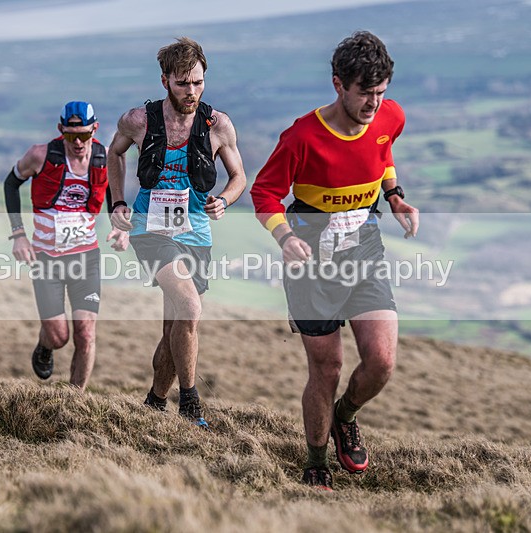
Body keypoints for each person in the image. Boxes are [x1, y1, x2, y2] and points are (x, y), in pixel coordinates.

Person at [250, 31, 419, 490]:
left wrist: (396, 197)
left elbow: (383, 153)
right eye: (364, 93)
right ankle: (316, 461)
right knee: (326, 369)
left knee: (382, 361)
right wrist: (284, 236)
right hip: (312, 267)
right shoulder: (302, 137)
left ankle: (346, 416)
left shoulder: (390, 116)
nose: (373, 104)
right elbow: (263, 193)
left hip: (364, 252)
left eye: (381, 93)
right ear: (338, 84)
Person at [107, 37, 247, 429]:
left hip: (196, 233)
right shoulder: (139, 120)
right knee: (190, 308)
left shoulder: (217, 125)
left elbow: (239, 177)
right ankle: (190, 404)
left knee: (175, 325)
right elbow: (113, 154)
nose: (192, 91)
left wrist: (224, 200)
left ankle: (154, 402)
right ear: (165, 79)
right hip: (149, 230)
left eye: (198, 83)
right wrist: (117, 202)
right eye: (183, 83)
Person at [4, 100, 128, 390]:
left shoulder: (105, 157)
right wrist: (18, 234)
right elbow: (11, 184)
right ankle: (45, 345)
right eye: (71, 136)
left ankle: (75, 401)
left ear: (94, 129)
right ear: (61, 130)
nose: (78, 142)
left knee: (85, 334)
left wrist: (120, 229)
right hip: (45, 258)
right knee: (59, 336)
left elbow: (115, 197)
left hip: (86, 256)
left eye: (84, 135)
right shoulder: (40, 155)